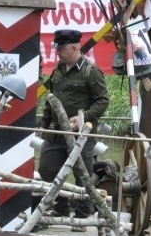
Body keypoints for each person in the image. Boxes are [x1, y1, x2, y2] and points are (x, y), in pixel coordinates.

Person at [38, 29, 109, 224]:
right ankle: (61, 207)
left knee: (82, 175)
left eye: (61, 48)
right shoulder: (58, 70)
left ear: (74, 47)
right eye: (57, 48)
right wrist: (44, 124)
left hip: (81, 136)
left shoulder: (90, 71)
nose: (57, 52)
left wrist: (83, 118)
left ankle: (83, 215)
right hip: (56, 133)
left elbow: (102, 101)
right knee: (47, 169)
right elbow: (50, 99)